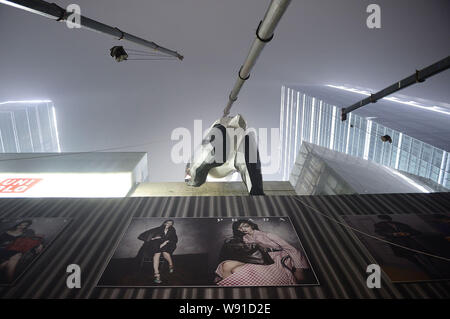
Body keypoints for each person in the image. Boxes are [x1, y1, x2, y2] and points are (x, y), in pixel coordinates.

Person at [185, 114, 264, 195]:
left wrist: (256, 191)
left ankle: (256, 191)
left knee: (248, 143)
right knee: (219, 132)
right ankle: (195, 176)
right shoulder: (217, 132)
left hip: (230, 163)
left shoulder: (242, 140)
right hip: (210, 170)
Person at [215, 219, 310, 286]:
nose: (243, 229)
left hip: (278, 257)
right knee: (226, 265)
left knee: (236, 270)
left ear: (251, 226)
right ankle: (225, 283)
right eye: (240, 228)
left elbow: (291, 249)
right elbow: (249, 253)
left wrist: (299, 270)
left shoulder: (268, 235)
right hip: (259, 259)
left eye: (246, 226)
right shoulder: (245, 238)